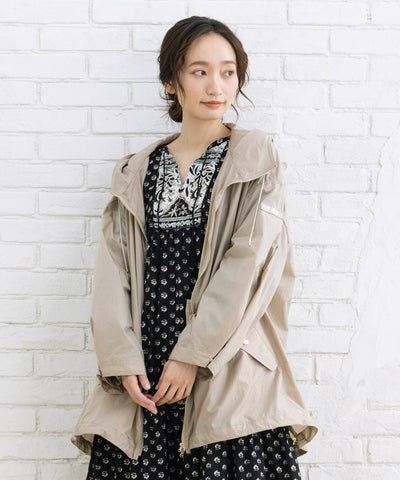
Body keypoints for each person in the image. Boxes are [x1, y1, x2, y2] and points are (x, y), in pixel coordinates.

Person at [71, 15, 318, 480]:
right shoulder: (136, 171)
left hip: (224, 367)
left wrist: (191, 357)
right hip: (146, 376)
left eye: (228, 71)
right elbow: (112, 274)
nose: (216, 86)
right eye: (199, 71)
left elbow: (248, 267)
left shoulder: (254, 159)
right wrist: (123, 362)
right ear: (172, 81)